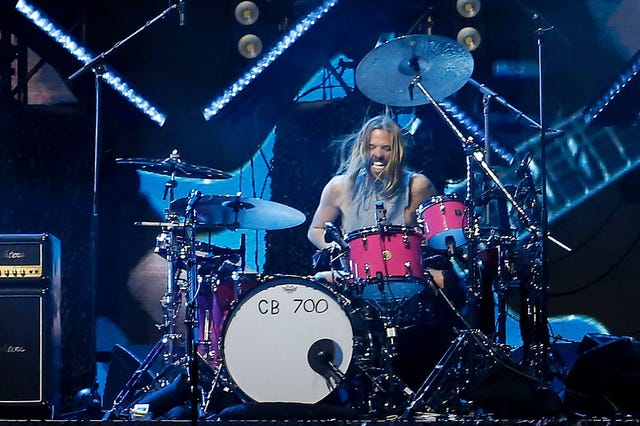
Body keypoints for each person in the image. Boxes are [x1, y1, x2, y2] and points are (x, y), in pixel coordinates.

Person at [307, 113, 465, 391]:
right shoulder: (339, 186)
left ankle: (441, 383)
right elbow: (316, 229)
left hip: (406, 271)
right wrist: (337, 248)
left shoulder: (418, 185)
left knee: (450, 285)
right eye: (372, 147)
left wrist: (433, 263)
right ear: (362, 148)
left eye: (386, 148)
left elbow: (432, 234)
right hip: (354, 272)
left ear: (397, 151)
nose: (378, 155)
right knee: (317, 283)